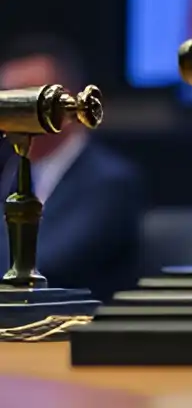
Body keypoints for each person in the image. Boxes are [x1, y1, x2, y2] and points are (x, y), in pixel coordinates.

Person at [0, 34, 145, 303]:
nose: (18, 111)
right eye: (8, 98)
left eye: (30, 96)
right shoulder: (10, 174)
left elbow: (48, 267)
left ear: (68, 102)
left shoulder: (109, 182)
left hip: (78, 334)